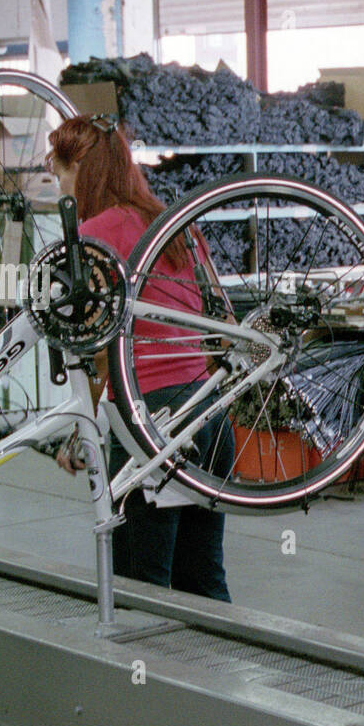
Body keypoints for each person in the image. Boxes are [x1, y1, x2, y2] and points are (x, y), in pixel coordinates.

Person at [48, 114, 233, 602]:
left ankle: (146, 677)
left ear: (80, 172)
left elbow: (99, 349)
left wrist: (77, 427)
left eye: (59, 175)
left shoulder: (93, 232)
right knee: (204, 579)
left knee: (138, 585)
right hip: (210, 416)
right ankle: (219, 674)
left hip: (153, 422)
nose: (59, 189)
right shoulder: (168, 222)